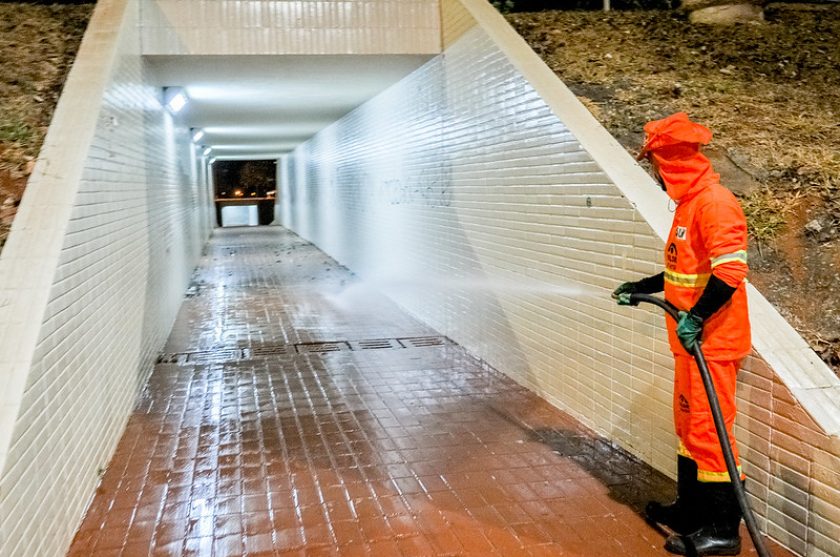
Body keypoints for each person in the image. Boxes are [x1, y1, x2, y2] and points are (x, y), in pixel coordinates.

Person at [612, 112, 751, 556]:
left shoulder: (715, 204)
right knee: (689, 429)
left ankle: (723, 531)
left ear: (668, 161)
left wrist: (697, 318)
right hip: (689, 344)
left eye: (654, 162)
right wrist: (643, 287)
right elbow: (682, 270)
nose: (652, 172)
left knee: (711, 434)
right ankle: (691, 512)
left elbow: (731, 271)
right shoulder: (689, 205)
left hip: (713, 343)